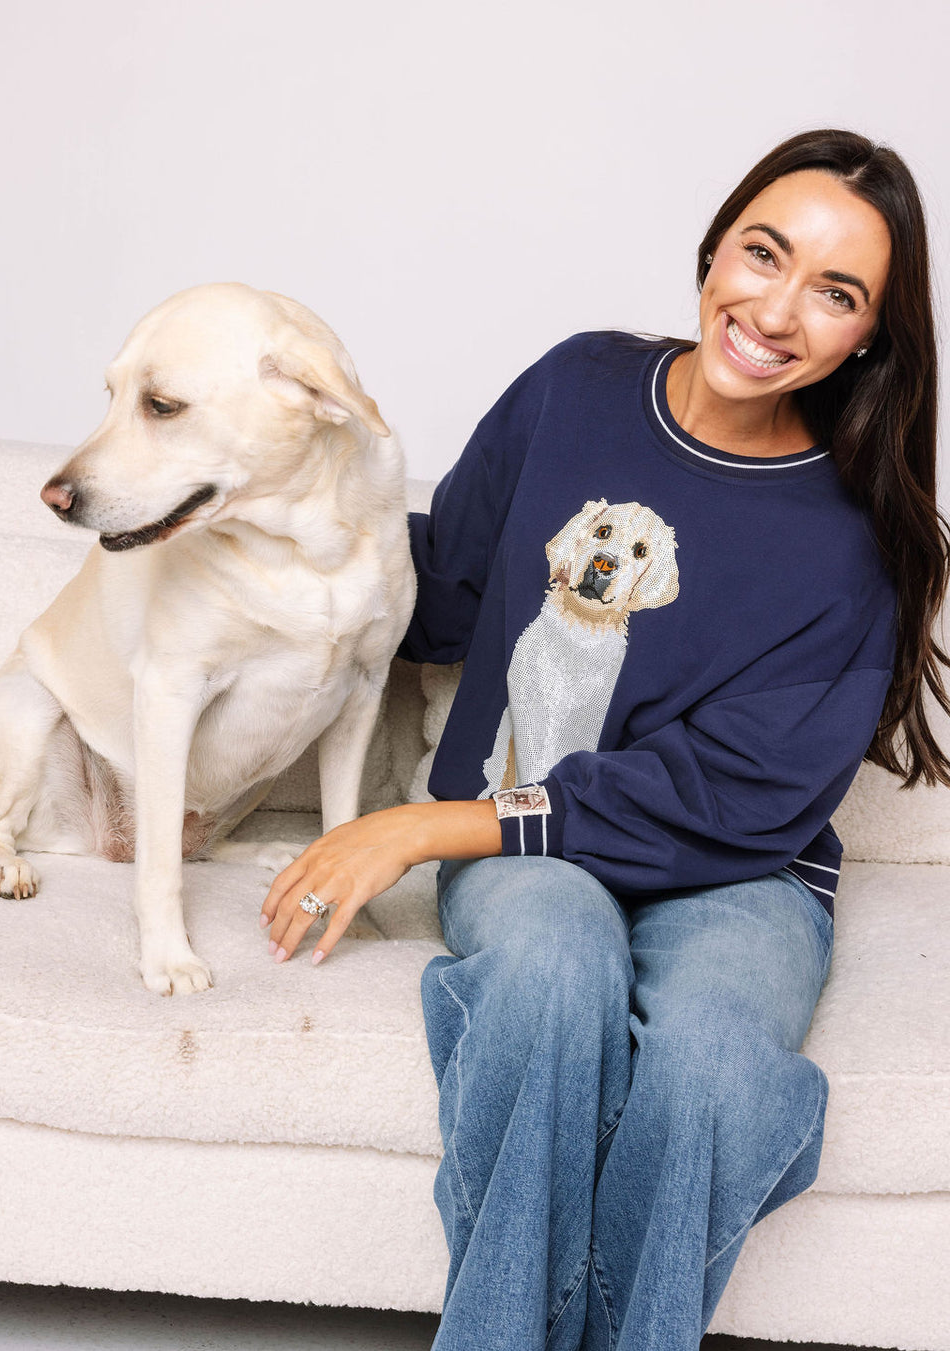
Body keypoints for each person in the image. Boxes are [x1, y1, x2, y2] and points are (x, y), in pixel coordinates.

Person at [260, 128, 950, 1349]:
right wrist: (268, 513)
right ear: (716, 245)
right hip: (532, 853)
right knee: (545, 973)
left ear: (869, 340)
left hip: (741, 872)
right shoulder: (576, 386)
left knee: (714, 1070)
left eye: (835, 294)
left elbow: (731, 797)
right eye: (764, 253)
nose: (777, 309)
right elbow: (448, 584)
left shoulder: (865, 535)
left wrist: (426, 821)